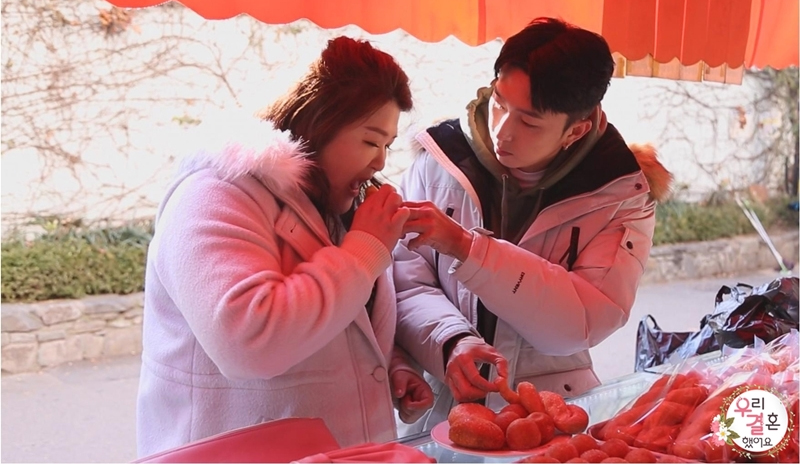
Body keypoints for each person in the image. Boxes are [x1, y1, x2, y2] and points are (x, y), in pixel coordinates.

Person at [136, 36, 433, 457]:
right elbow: (248, 341)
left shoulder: (330, 206)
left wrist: (390, 365)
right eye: (371, 142)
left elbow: (339, 319)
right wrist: (364, 251)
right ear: (320, 122)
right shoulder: (212, 194)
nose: (381, 162)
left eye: (387, 146)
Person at [393, 17, 674, 432]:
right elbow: (405, 281)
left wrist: (468, 249)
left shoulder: (621, 195)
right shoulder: (439, 160)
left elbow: (581, 322)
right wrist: (450, 341)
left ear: (575, 131)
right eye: (499, 102)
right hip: (443, 409)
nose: (503, 130)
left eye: (529, 122)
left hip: (549, 414)